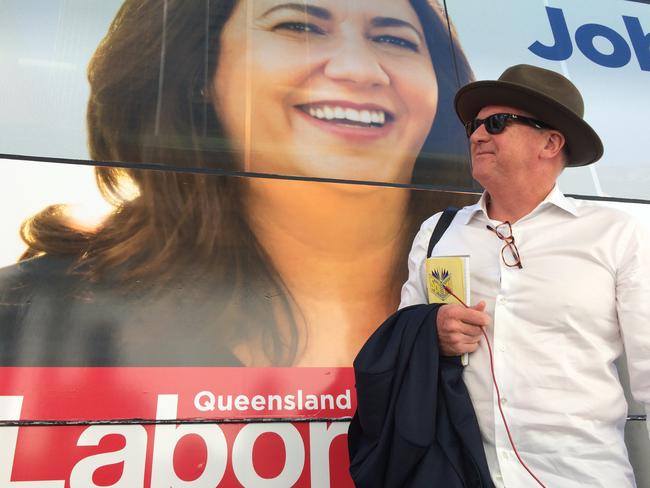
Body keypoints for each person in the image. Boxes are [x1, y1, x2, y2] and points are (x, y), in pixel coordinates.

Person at [0, 0, 478, 367]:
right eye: (299, 27)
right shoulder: (31, 312)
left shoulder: (496, 282)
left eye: (395, 40)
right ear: (200, 75)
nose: (358, 69)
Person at [400, 64, 650, 486]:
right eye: (473, 126)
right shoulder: (438, 232)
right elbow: (401, 343)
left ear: (551, 142)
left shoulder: (615, 233)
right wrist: (432, 332)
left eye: (496, 123)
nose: (478, 135)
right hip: (461, 474)